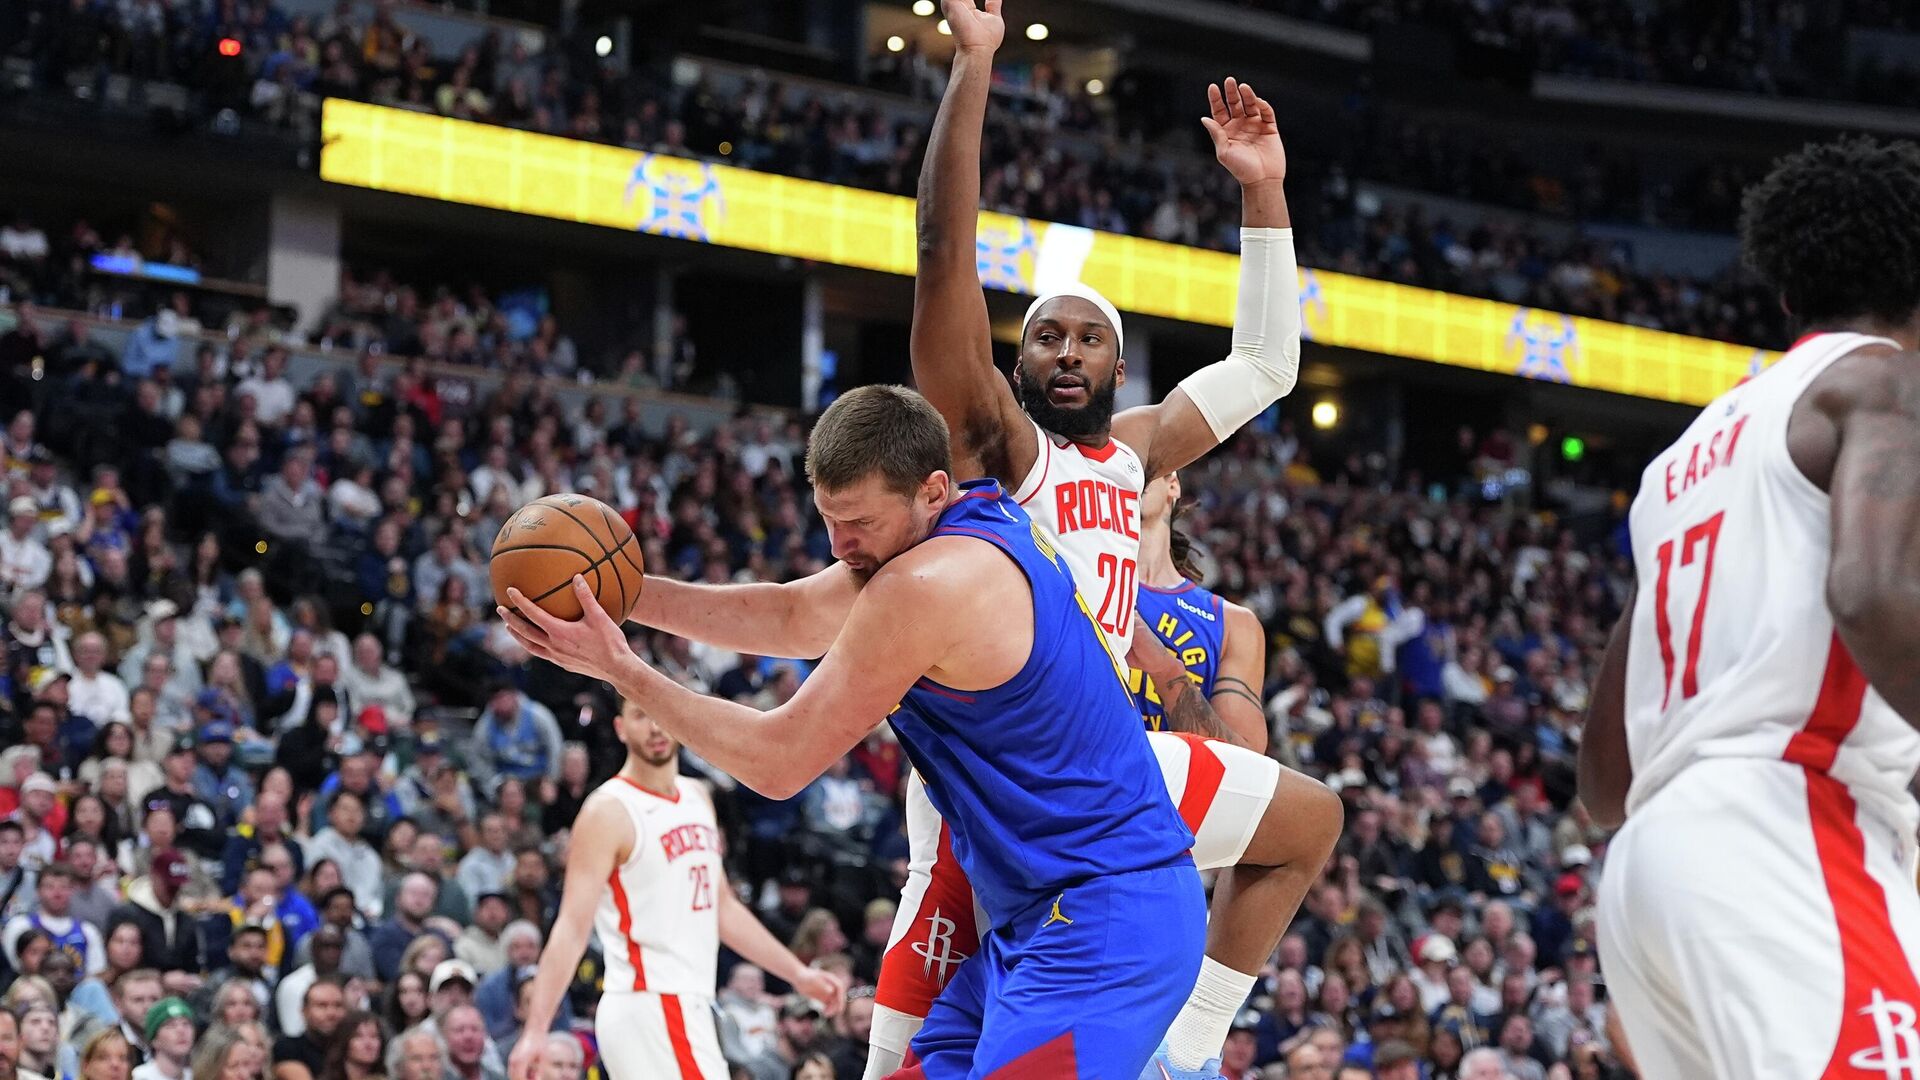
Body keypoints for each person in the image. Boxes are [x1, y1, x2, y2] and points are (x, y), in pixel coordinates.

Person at [504, 386, 1209, 1077]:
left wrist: (620, 669)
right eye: (828, 519)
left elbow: (778, 762)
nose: (840, 545)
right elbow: (789, 617)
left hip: (1108, 919)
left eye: (859, 523)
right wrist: (618, 594)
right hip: (1043, 918)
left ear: (932, 490)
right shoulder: (968, 524)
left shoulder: (928, 585)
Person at [888, 5, 1328, 1074]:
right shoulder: (1001, 449)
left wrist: (1263, 192)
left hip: (1105, 769)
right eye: (1047, 337)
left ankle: (1190, 1048)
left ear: (1118, 368)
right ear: (1018, 362)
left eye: (1090, 339)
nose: (1069, 352)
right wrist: (976, 63)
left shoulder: (1135, 451)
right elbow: (943, 255)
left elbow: (1268, 365)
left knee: (1309, 821)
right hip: (992, 769)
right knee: (906, 1048)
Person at [1580, 136, 1920, 1080]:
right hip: (1784, 829)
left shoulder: (1676, 465)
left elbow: (1603, 781)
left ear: (1787, 295)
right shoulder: (1886, 382)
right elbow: (1870, 593)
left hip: (1648, 874)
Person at [504, 697, 844, 1080]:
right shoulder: (609, 810)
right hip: (649, 1001)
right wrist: (535, 1031)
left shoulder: (698, 796)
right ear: (620, 728)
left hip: (688, 1003)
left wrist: (798, 974)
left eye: (663, 713)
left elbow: (722, 908)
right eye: (641, 715)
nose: (656, 727)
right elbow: (570, 927)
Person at [272, 977, 348, 1080]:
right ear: (304, 1011)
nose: (331, 1013)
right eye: (322, 1005)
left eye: (338, 1005)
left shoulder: (354, 1049)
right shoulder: (288, 1047)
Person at [129, 998, 194, 1080]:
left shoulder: (198, 1075)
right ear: (154, 1039)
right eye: (171, 1025)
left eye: (186, 1024)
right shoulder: (139, 1077)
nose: (181, 1031)